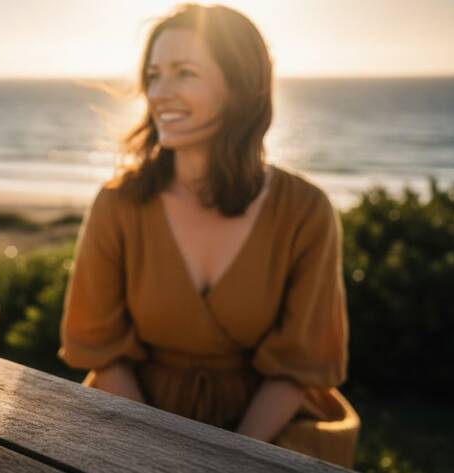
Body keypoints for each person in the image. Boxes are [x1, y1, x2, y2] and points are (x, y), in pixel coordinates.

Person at [58, 3, 360, 468]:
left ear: (241, 85)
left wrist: (228, 458)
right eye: (154, 75)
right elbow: (104, 352)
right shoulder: (118, 204)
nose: (160, 93)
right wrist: (158, 456)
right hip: (134, 416)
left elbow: (298, 366)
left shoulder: (305, 211)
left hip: (266, 428)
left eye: (185, 73)